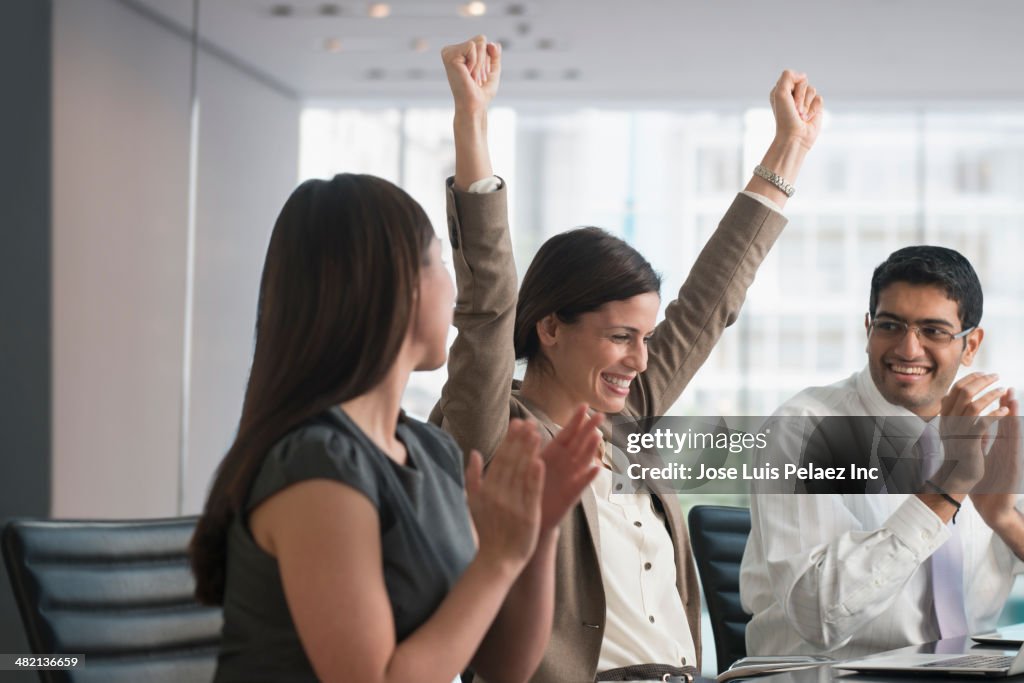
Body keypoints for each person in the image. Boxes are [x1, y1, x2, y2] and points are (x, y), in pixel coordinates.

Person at [429, 36, 823, 682]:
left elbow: (708, 304)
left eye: (644, 337)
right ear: (551, 327)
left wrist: (789, 150)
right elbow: (488, 304)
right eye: (620, 336)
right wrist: (471, 121)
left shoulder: (625, 419)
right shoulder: (495, 431)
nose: (641, 358)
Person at [189, 173, 605, 683]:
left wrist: (536, 532)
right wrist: (495, 560)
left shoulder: (430, 450)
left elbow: (502, 668)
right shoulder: (317, 465)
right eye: (443, 264)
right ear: (400, 283)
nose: (454, 289)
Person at [741, 245, 1024, 659]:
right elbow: (818, 617)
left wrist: (1005, 520)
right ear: (868, 329)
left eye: (934, 331)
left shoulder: (998, 429)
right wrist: (947, 488)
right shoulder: (802, 431)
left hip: (970, 670)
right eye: (891, 325)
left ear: (971, 344)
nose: (908, 349)